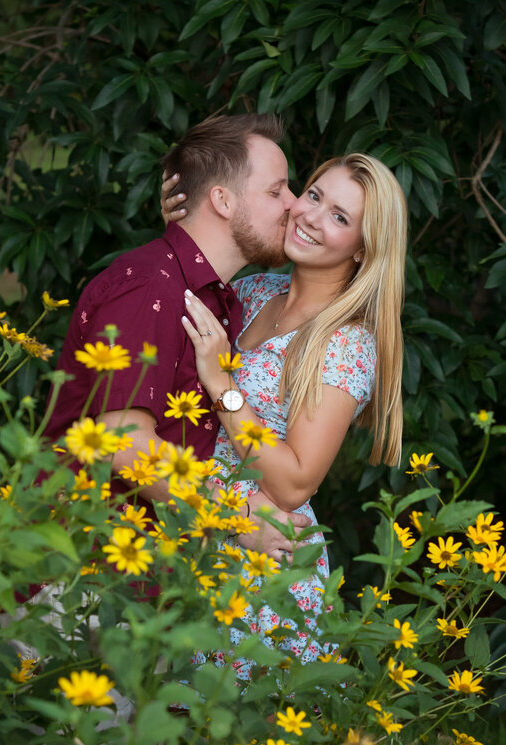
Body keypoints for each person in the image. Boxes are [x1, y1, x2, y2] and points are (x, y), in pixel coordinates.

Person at [164, 153, 406, 676]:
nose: (313, 218)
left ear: (364, 249)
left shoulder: (345, 343)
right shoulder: (256, 291)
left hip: (259, 560)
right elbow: (177, 302)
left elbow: (296, 483)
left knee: (228, 736)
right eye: (314, 196)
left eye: (341, 217)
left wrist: (224, 386)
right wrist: (182, 230)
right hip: (197, 518)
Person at [44, 113, 309, 546]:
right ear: (223, 201)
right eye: (276, 190)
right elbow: (123, 443)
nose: (293, 204)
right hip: (80, 566)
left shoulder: (215, 297)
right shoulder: (149, 285)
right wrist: (236, 516)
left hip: (145, 570)